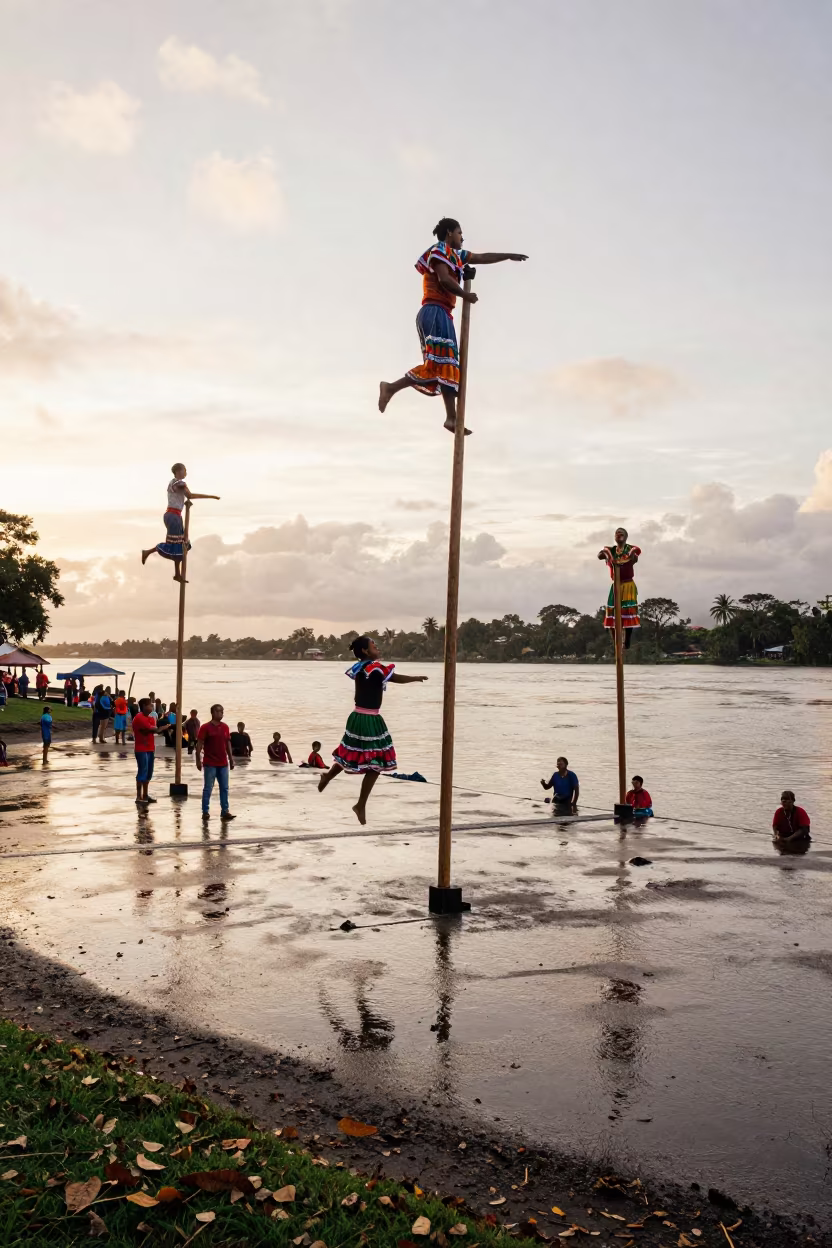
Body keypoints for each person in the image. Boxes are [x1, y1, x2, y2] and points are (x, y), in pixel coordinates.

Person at [378, 218, 528, 434]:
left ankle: (451, 417)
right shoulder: (439, 251)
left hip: (443, 313)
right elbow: (444, 279)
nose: (462, 237)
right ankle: (391, 387)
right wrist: (464, 294)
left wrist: (508, 256)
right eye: (459, 233)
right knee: (437, 363)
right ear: (449, 233)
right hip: (434, 310)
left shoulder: (456, 256)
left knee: (448, 364)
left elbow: (481, 257)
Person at [318, 636, 428, 824]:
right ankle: (360, 804)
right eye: (373, 645)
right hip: (369, 719)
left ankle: (328, 776)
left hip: (357, 716)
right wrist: (415, 678)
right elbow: (395, 678)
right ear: (365, 652)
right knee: (377, 763)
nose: (377, 647)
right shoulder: (375, 668)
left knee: (350, 754)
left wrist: (415, 678)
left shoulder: (361, 668)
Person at [141, 462, 219, 583]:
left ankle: (177, 574)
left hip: (175, 515)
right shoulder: (179, 483)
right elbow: (190, 495)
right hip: (173, 516)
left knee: (179, 546)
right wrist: (211, 496)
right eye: (184, 470)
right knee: (175, 545)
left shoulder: (174, 483)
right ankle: (148, 552)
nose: (186, 472)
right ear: (178, 471)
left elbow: (185, 496)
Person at [598, 528, 641, 650]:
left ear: (626, 537)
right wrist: (607, 556)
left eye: (621, 533)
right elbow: (600, 555)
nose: (619, 535)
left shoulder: (630, 549)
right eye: (617, 533)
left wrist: (631, 557)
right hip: (615, 584)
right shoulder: (611, 550)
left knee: (627, 612)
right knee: (611, 613)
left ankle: (626, 641)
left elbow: (635, 556)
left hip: (627, 584)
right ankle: (616, 642)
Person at [195, 704, 236, 821]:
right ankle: (205, 811)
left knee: (224, 788)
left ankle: (225, 811)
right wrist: (198, 760)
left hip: (223, 763)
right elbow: (199, 744)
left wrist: (231, 759)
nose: (220, 714)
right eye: (218, 712)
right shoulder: (205, 727)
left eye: (222, 712)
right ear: (212, 713)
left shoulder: (225, 727)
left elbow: (227, 744)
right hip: (210, 763)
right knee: (208, 788)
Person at [131, 697, 168, 805]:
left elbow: (152, 729)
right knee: (142, 771)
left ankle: (145, 795)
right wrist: (164, 727)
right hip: (141, 748)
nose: (152, 707)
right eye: (149, 705)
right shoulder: (139, 718)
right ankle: (139, 796)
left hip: (150, 748)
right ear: (143, 706)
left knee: (148, 773)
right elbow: (154, 729)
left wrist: (159, 728)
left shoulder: (151, 718)